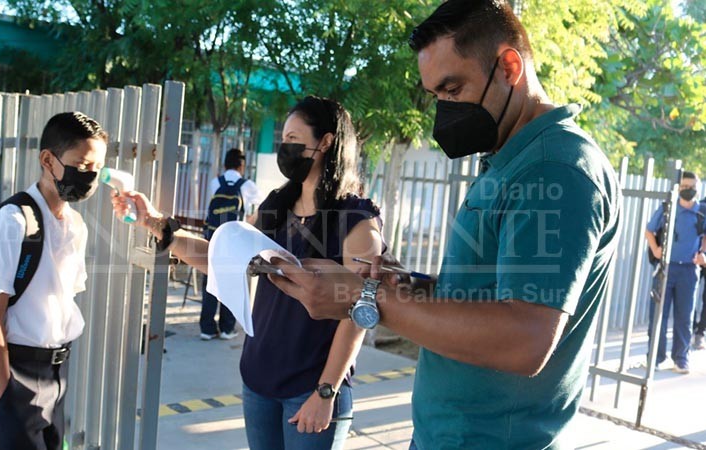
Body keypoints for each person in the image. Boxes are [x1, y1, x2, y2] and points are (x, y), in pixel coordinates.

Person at [266, 1, 622, 449]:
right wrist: (406, 286)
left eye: (453, 89)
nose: (445, 109)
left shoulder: (553, 169)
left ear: (509, 67)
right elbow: (484, 295)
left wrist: (363, 297)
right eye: (436, 95)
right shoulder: (509, 162)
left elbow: (524, 340)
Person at [114, 96, 384, 449]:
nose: (284, 148)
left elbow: (359, 313)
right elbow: (221, 258)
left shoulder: (356, 219)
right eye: (283, 139)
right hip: (258, 381)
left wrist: (326, 391)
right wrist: (154, 222)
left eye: (293, 139)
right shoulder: (276, 207)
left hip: (311, 388)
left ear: (326, 142)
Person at [0, 112, 106, 450]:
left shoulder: (76, 225)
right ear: (48, 160)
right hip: (18, 372)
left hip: (57, 372)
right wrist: (5, 396)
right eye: (81, 165)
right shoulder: (12, 222)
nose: (90, 176)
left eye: (97, 168)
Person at [200, 148, 264, 340]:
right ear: (242, 166)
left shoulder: (215, 183)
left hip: (214, 239)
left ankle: (207, 329)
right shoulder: (247, 185)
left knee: (211, 280)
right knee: (232, 284)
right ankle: (227, 329)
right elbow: (262, 205)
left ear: (224, 164)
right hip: (234, 242)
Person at [645, 171, 705, 374]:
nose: (688, 190)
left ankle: (681, 359)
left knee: (685, 317)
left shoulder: (702, 212)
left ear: (698, 189)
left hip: (689, 270)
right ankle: (655, 358)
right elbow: (649, 230)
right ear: (678, 188)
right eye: (684, 186)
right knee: (658, 316)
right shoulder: (667, 208)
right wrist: (656, 249)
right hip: (665, 268)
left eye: (692, 187)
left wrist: (703, 254)